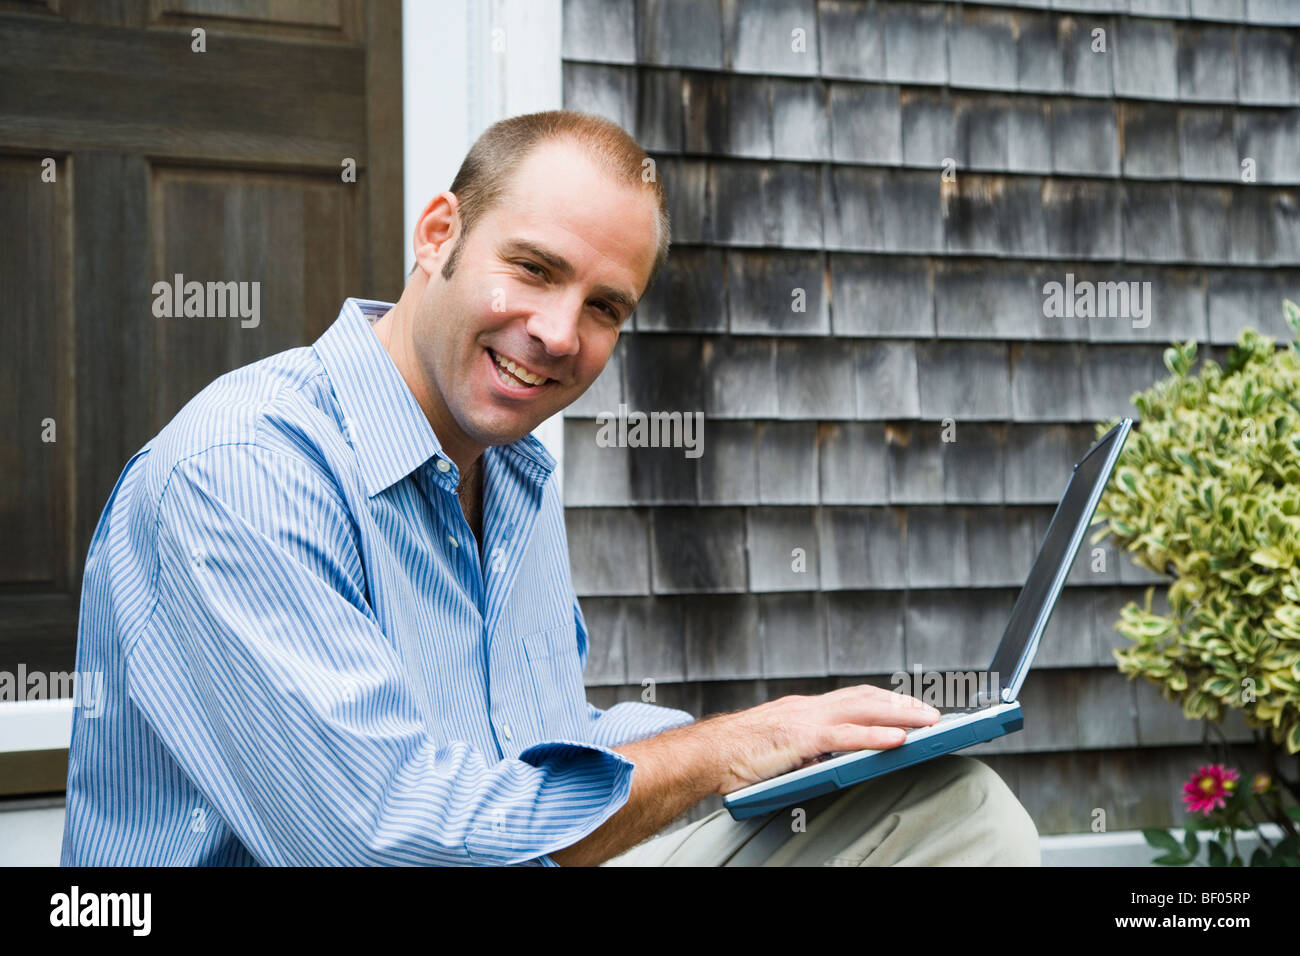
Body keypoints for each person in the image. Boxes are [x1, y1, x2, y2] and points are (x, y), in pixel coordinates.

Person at [61, 109, 1040, 866]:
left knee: (946, 809)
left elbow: (537, 744)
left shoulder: (513, 469)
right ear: (438, 232)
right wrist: (725, 749)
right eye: (532, 269)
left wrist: (793, 739)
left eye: (604, 306)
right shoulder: (244, 469)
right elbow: (384, 839)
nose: (561, 333)